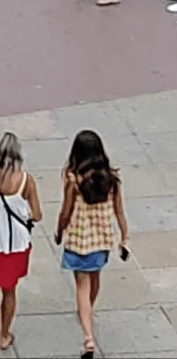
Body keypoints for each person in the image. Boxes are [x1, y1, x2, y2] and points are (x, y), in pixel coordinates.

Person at [55, 131, 129, 359]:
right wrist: (124, 237)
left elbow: (65, 212)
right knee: (95, 279)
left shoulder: (73, 181)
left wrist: (59, 231)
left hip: (79, 241)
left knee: (81, 286)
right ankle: (87, 311)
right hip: (101, 240)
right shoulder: (111, 181)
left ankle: (88, 337)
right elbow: (119, 212)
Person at [0, 133, 42, 358]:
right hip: (16, 246)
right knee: (10, 290)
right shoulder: (26, 181)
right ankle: (4, 334)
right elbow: (37, 214)